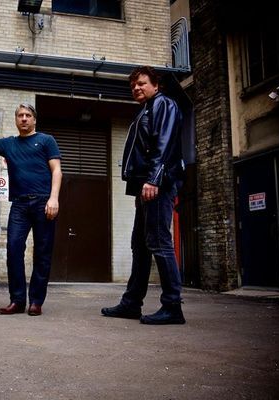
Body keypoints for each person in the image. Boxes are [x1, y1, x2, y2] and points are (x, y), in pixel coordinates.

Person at [101, 66, 186, 325]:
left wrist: (154, 179)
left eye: (142, 83)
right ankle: (131, 303)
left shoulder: (163, 104)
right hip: (146, 187)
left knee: (159, 242)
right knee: (140, 245)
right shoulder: (146, 110)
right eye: (133, 85)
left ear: (155, 85)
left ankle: (172, 307)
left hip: (157, 184)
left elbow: (164, 143)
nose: (136, 88)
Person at [0, 103, 62, 316]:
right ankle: (17, 300)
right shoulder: (9, 143)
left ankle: (36, 302)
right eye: (20, 115)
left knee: (42, 253)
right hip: (19, 205)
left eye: (28, 115)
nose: (23, 118)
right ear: (16, 120)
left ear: (34, 119)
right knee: (13, 249)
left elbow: (56, 170)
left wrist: (54, 198)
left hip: (43, 202)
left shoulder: (46, 140)